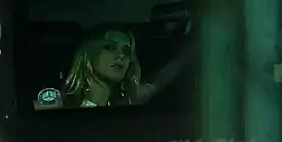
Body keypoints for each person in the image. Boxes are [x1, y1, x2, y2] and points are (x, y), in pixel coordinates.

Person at [35, 27, 194, 109]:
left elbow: (159, 80)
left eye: (126, 51)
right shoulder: (58, 104)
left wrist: (193, 48)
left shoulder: (129, 101)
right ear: (89, 54)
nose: (121, 56)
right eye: (110, 47)